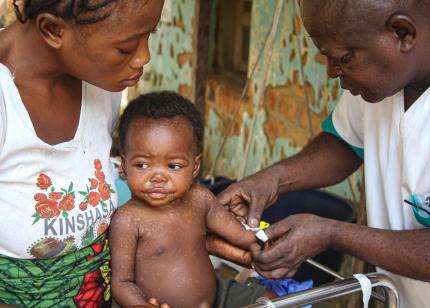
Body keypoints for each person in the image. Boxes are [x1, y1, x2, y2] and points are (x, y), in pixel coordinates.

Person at [218, 0, 430, 306]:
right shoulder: (380, 83)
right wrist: (271, 180)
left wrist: (331, 234)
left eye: (343, 58)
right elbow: (344, 143)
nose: (331, 72)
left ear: (401, 33)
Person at [0, 0, 164, 306]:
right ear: (52, 30)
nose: (144, 57)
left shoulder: (101, 83)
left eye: (149, 34)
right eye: (126, 48)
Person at [110, 92, 271, 308]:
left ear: (195, 167)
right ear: (124, 164)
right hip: (153, 305)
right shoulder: (127, 220)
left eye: (173, 166)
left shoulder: (200, 199)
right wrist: (140, 305)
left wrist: (265, 241)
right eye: (142, 165)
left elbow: (239, 235)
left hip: (218, 298)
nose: (158, 177)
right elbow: (121, 282)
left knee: (271, 300)